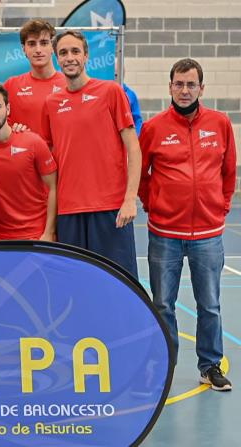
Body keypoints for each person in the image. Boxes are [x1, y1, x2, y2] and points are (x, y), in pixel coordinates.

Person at [139, 58, 235, 392]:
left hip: (208, 234)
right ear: (170, 87)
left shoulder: (220, 124)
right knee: (162, 304)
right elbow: (141, 176)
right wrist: (155, 206)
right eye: (178, 84)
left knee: (209, 304)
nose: (184, 90)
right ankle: (165, 365)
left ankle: (210, 365)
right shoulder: (152, 129)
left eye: (190, 84)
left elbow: (229, 172)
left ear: (201, 88)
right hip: (165, 234)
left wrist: (220, 208)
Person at [38, 30, 141, 277]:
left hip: (110, 209)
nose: (69, 57)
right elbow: (49, 160)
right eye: (63, 52)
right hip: (69, 211)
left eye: (75, 51)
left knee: (119, 285)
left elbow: (134, 148)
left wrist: (129, 199)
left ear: (86, 56)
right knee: (76, 286)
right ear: (56, 58)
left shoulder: (111, 92)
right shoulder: (51, 103)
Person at [0, 84, 58, 241]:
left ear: (8, 109)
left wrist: (49, 233)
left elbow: (53, 187)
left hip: (36, 237)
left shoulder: (33, 142)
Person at [3, 19, 66, 133]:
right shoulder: (11, 86)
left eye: (44, 43)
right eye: (32, 44)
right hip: (24, 151)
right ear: (24, 49)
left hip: (61, 151)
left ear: (53, 47)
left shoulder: (69, 84)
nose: (38, 50)